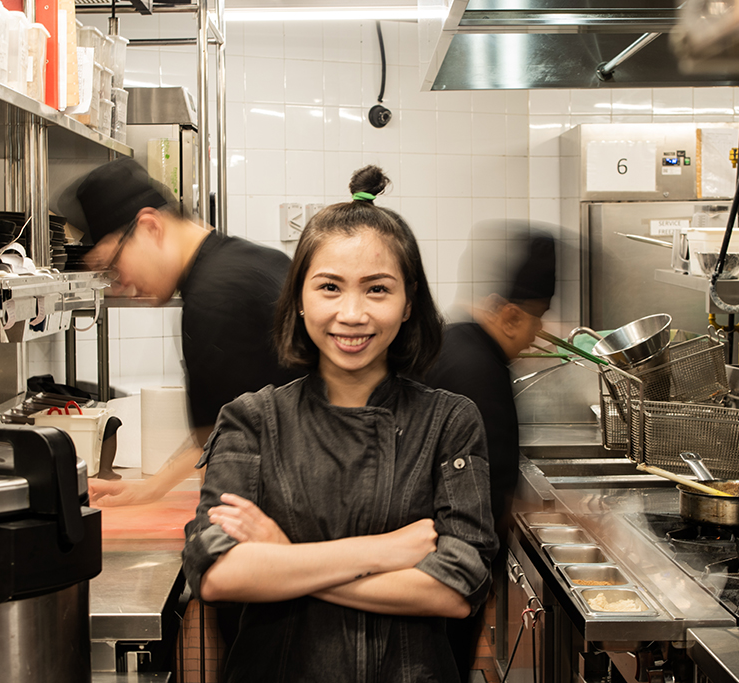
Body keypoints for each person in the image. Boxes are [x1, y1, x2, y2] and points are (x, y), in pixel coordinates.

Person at [181, 166, 499, 682]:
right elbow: (216, 573)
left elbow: (456, 587)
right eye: (330, 287)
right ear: (299, 299)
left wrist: (283, 559)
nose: (352, 314)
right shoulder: (252, 419)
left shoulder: (449, 421)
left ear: (408, 303)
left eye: (377, 290)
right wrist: (385, 551)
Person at [65, 158, 300, 506]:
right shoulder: (245, 260)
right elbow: (219, 426)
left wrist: (207, 527)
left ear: (150, 227)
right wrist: (150, 489)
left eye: (114, 265)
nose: (119, 284)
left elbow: (228, 451)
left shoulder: (215, 299)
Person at [425, 223, 556, 680]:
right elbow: (488, 492)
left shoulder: (459, 340)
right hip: (448, 571)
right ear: (510, 315)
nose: (540, 332)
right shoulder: (480, 372)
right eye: (538, 318)